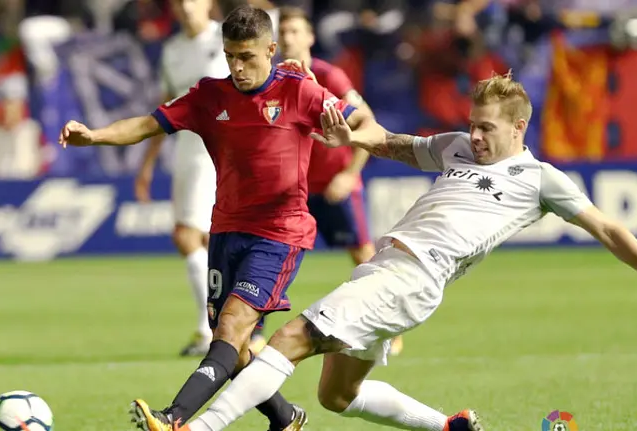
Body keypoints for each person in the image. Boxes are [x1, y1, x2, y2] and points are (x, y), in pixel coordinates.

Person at [171, 72, 637, 431]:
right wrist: (350, 136)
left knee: (287, 339)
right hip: (386, 270)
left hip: (411, 277)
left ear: (519, 127)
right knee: (337, 396)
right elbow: (394, 144)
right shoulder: (457, 147)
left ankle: (199, 426)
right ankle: (448, 426)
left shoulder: (541, 179)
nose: (474, 136)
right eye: (471, 124)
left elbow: (608, 229)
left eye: (486, 129)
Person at [58, 5, 377, 431]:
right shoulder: (209, 96)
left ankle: (174, 418)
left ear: (271, 50)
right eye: (231, 57)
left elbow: (366, 123)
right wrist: (95, 135)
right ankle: (285, 417)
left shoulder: (299, 91)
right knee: (232, 345)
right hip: (227, 231)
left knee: (231, 328)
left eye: (247, 57)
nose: (238, 67)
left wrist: (349, 136)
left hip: (280, 234)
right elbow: (148, 125)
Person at [276, 6, 405, 356]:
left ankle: (391, 327)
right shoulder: (273, 79)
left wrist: (349, 175)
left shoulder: (328, 75)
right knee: (273, 253)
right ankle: (254, 332)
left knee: (364, 258)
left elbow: (368, 122)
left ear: (309, 38)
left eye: (294, 31)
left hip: (335, 185)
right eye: (283, 32)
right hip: (296, 190)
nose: (287, 37)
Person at [134, 0, 231, 358]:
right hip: (189, 150)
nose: (187, 7)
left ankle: (211, 331)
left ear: (210, 4)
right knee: (204, 239)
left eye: (194, 0)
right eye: (180, 2)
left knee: (189, 236)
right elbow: (165, 107)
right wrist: (148, 162)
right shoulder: (173, 50)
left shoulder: (228, 37)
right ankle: (224, 328)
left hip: (222, 144)